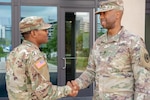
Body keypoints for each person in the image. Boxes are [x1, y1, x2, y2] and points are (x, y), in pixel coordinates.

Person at [70, 0, 150, 99]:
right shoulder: (98, 43)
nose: (101, 17)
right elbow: (91, 71)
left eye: (104, 13)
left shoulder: (133, 42)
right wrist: (77, 84)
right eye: (100, 14)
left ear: (117, 14)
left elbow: (143, 82)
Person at [5, 16, 77, 100]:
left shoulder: (14, 52)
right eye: (44, 30)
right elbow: (43, 92)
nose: (47, 33)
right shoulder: (35, 55)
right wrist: (68, 90)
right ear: (33, 33)